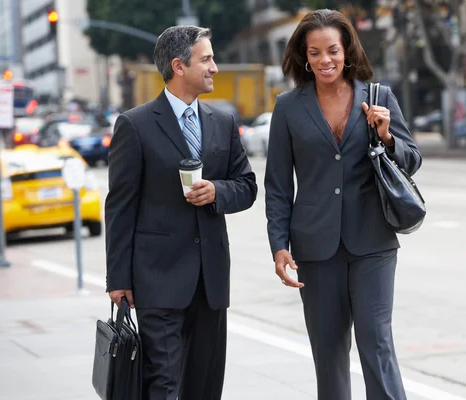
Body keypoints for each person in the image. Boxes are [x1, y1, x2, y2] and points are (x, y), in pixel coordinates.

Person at [264, 9, 422, 400]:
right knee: (329, 351)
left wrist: (387, 137)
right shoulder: (288, 107)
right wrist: (279, 245)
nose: (325, 60)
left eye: (332, 50)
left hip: (373, 241)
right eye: (314, 52)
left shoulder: (378, 96)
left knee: (376, 341)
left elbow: (412, 159)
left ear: (347, 50)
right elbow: (278, 185)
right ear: (305, 57)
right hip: (315, 247)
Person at [105, 26, 257, 400]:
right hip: (156, 279)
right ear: (178, 66)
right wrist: (118, 278)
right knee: (164, 382)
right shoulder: (135, 125)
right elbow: (120, 206)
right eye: (206, 59)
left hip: (211, 280)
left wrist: (217, 191)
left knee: (204, 386)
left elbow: (248, 185)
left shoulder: (222, 122)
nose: (215, 68)